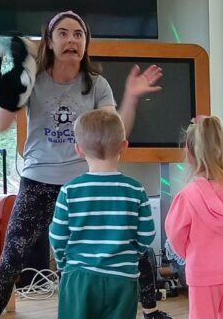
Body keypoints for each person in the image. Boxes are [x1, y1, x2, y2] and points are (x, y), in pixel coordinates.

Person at [0, 10, 165, 319]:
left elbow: (112, 132)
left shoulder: (96, 84)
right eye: (63, 33)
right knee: (11, 260)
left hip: (84, 185)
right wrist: (9, 97)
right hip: (38, 181)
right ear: (50, 43)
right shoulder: (33, 79)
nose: (71, 40)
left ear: (85, 43)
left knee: (134, 248)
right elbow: (1, 124)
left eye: (78, 34)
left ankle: (151, 311)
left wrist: (130, 97)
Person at [49, 109, 153, 318]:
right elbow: (147, 234)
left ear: (78, 149)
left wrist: (63, 264)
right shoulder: (135, 190)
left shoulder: (70, 191)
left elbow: (57, 237)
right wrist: (132, 254)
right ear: (124, 146)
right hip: (122, 278)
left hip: (79, 278)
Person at [165, 116, 223, 319]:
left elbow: (175, 235)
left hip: (203, 273)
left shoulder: (188, 196)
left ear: (189, 153)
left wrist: (191, 254)